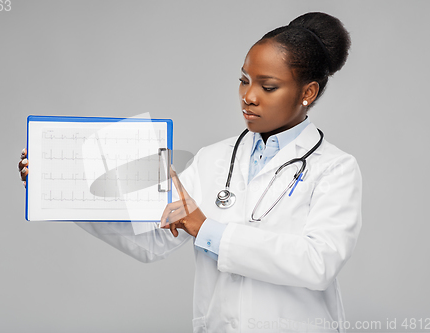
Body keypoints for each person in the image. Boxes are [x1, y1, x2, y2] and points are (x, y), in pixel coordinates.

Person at [19, 12, 361, 333]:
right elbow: (153, 240)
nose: (249, 97)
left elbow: (318, 264)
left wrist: (207, 229)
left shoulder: (335, 168)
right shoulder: (213, 159)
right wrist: (62, 189)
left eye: (267, 86)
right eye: (244, 81)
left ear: (308, 92)